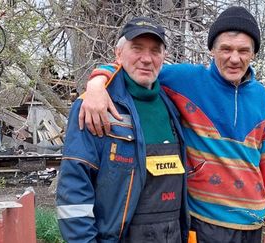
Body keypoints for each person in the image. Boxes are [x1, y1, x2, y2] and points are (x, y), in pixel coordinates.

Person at [80, 7, 265, 243]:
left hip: (255, 225)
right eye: (226, 49)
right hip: (204, 223)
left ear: (254, 54)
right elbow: (138, 66)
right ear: (211, 50)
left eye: (243, 51)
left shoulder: (261, 96)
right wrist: (97, 82)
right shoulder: (185, 80)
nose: (234, 58)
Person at [56, 17, 190, 243]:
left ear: (163, 57)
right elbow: (74, 187)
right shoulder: (94, 105)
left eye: (155, 51)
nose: (146, 59)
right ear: (118, 54)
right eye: (137, 49)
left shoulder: (172, 104)